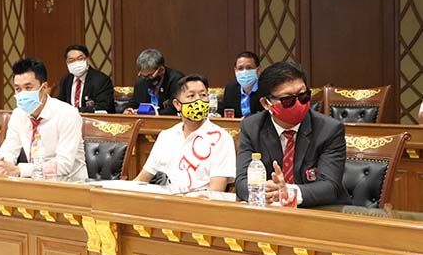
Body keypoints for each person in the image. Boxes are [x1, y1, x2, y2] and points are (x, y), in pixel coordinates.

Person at [235, 61, 349, 207]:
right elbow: (242, 182)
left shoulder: (329, 130)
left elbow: (330, 187)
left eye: (303, 96)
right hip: (271, 210)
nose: (298, 104)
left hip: (319, 210)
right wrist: (264, 192)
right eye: (288, 100)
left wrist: (289, 192)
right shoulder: (251, 127)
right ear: (266, 103)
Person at [134, 74, 236, 192]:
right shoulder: (166, 136)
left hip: (201, 201)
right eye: (191, 96)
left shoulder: (221, 138)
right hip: (167, 200)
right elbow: (141, 179)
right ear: (177, 104)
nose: (198, 100)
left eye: (203, 95)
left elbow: (216, 191)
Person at [0, 58, 87, 181]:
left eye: (28, 87)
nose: (22, 93)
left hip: (70, 184)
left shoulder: (67, 114)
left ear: (44, 87)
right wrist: (2, 165)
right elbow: (9, 151)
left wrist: (19, 170)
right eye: (18, 89)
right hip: (33, 182)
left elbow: (64, 165)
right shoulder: (18, 114)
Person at [123, 48, 184, 115]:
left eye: (150, 76)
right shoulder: (141, 82)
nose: (146, 80)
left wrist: (153, 113)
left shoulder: (176, 80)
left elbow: (174, 108)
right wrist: (128, 109)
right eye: (143, 76)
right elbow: (134, 102)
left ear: (161, 70)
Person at [57, 44, 114, 113]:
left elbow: (103, 106)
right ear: (67, 63)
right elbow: (60, 103)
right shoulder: (66, 80)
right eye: (71, 60)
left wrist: (76, 111)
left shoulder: (101, 80)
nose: (76, 63)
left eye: (80, 59)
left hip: (92, 118)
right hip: (69, 118)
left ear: (87, 59)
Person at [218, 51, 266, 117]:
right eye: (240, 68)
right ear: (235, 71)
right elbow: (224, 110)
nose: (244, 72)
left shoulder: (266, 89)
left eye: (249, 68)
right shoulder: (231, 89)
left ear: (258, 70)